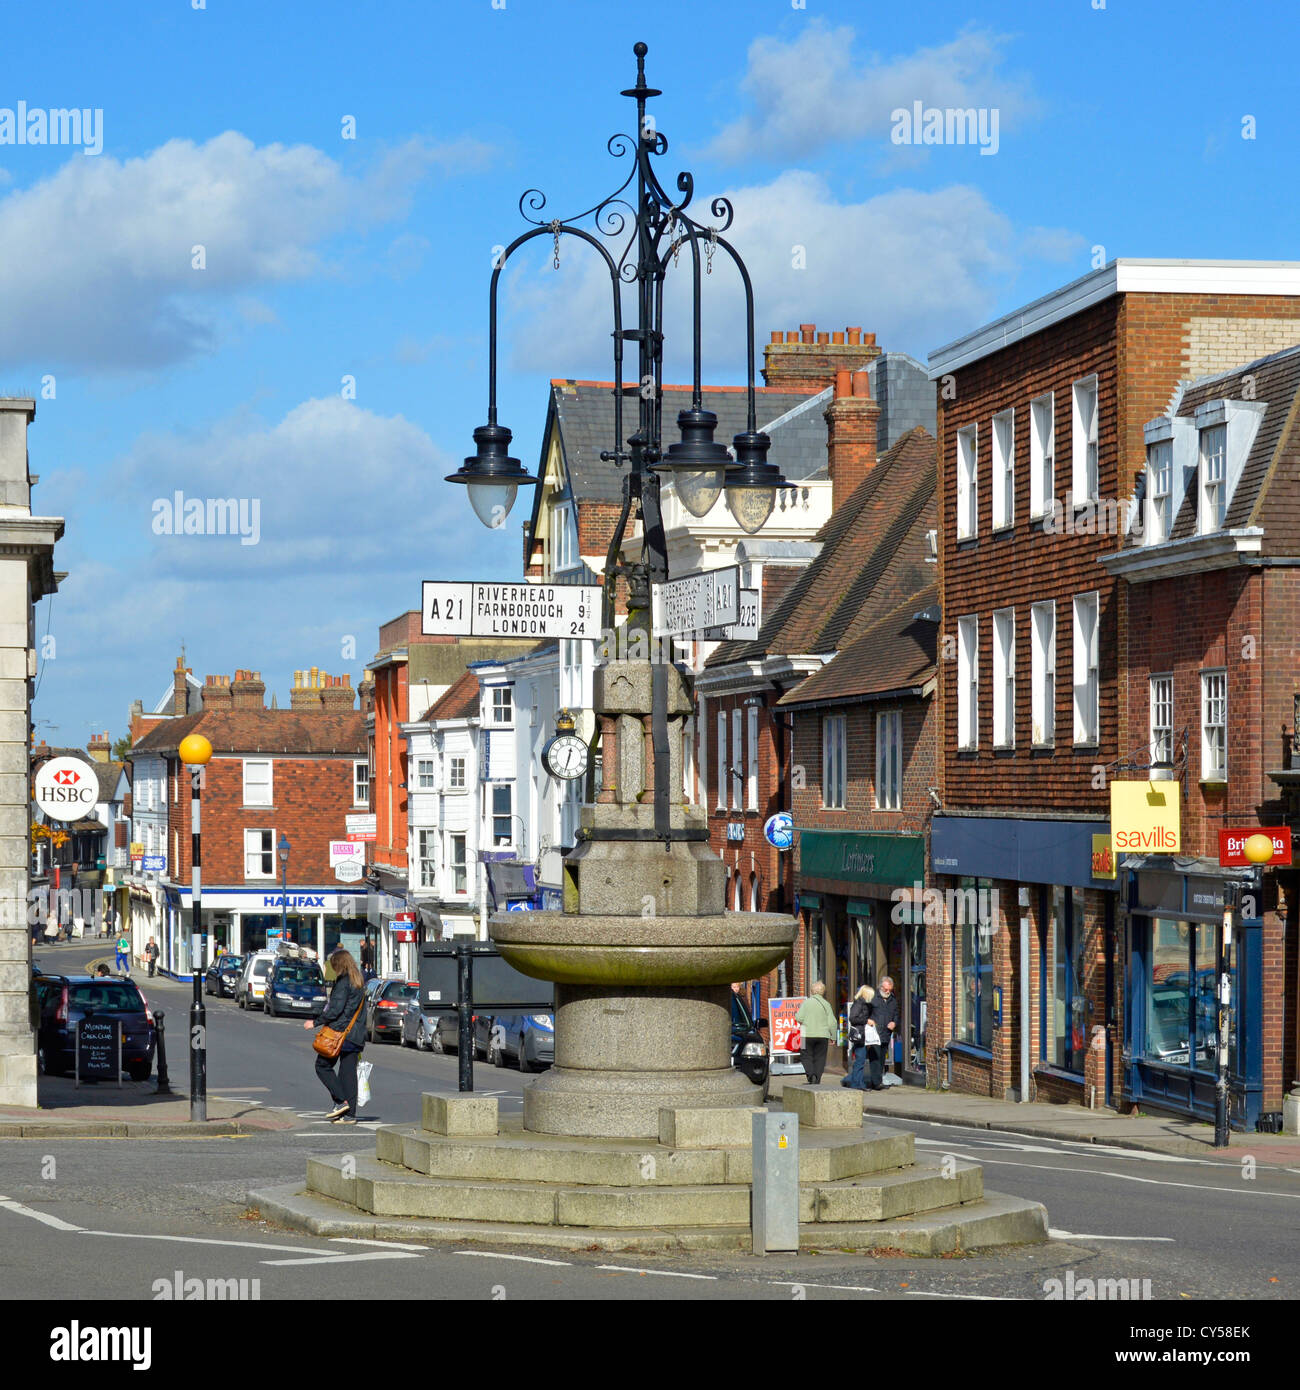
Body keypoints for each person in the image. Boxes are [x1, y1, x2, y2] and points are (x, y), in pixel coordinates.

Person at [307, 947, 367, 1124]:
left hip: (341, 1034)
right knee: (348, 1075)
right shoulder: (359, 981)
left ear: (339, 965)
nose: (332, 968)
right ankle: (350, 1115)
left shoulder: (343, 982)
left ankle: (341, 1102)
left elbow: (335, 1010)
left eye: (334, 965)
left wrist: (316, 1022)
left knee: (322, 1066)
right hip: (356, 1035)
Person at [795, 981, 838, 1085]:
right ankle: (817, 1078)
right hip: (822, 1035)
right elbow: (832, 1022)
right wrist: (833, 1037)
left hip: (806, 1034)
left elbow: (799, 1017)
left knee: (805, 1055)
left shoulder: (806, 1003)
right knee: (820, 1057)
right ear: (823, 991)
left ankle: (810, 1075)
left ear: (812, 991)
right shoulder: (826, 1004)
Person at [867, 975, 900, 1090]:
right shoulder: (873, 998)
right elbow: (865, 1012)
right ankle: (876, 1083)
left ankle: (877, 1080)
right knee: (874, 1058)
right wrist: (868, 1020)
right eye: (886, 989)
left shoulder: (893, 1000)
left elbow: (896, 1014)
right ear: (881, 987)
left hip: (886, 1033)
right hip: (874, 1033)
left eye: (890, 990)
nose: (887, 992)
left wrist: (894, 1023)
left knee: (881, 1059)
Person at [841, 984, 874, 1091]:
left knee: (861, 1060)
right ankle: (856, 1084)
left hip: (863, 1034)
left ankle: (858, 1083)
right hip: (859, 1035)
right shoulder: (859, 1003)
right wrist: (866, 1021)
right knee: (860, 1060)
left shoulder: (864, 1004)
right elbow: (852, 1018)